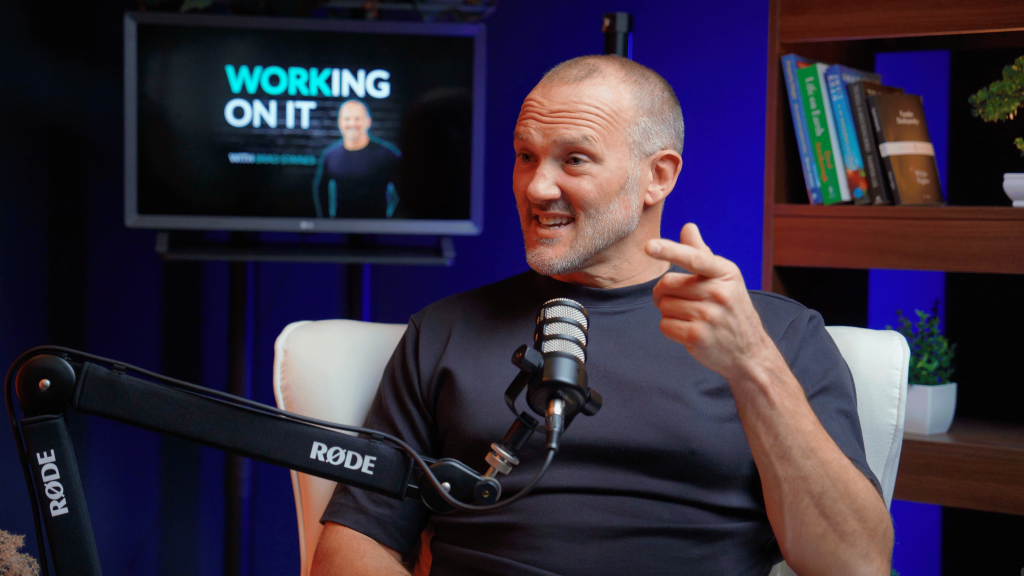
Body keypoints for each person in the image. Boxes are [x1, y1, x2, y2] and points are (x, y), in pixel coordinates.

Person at [311, 55, 893, 576]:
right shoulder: (442, 332)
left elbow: (855, 563)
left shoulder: (779, 336)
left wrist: (752, 365)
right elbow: (354, 545)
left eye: (575, 159)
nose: (537, 186)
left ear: (657, 176)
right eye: (525, 155)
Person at [312, 99, 401, 219]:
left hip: (377, 230)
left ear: (368, 122)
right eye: (347, 119)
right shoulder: (330, 155)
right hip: (340, 230)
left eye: (357, 118)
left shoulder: (387, 155)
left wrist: (393, 224)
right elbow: (321, 190)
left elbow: (405, 192)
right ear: (340, 122)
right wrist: (326, 223)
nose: (352, 123)